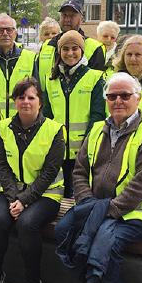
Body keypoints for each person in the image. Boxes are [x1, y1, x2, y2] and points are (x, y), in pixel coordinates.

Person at [69, 72, 142, 283]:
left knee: (104, 245)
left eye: (125, 95)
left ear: (138, 98)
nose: (118, 101)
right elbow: (79, 171)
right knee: (67, 233)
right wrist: (88, 203)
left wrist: (103, 211)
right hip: (102, 208)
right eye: (112, 96)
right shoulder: (97, 129)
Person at [0, 78, 64, 283]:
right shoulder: (3, 128)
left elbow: (49, 172)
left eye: (31, 97)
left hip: (46, 194)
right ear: (15, 101)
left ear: (40, 102)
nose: (26, 102)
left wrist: (24, 200)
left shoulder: (54, 130)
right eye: (21, 97)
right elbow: (1, 165)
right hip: (12, 192)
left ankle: (32, 282)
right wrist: (14, 198)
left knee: (27, 225)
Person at [42, 30, 106, 198]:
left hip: (84, 153)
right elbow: (47, 116)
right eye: (65, 49)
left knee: (82, 194)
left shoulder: (95, 77)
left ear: (82, 51)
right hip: (59, 151)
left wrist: (87, 146)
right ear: (59, 52)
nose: (70, 53)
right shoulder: (52, 80)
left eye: (75, 48)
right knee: (60, 195)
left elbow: (97, 115)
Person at [37, 0, 106, 85]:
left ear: (81, 19)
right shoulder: (47, 45)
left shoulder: (95, 48)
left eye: (72, 15)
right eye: (64, 15)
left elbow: (98, 84)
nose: (67, 19)